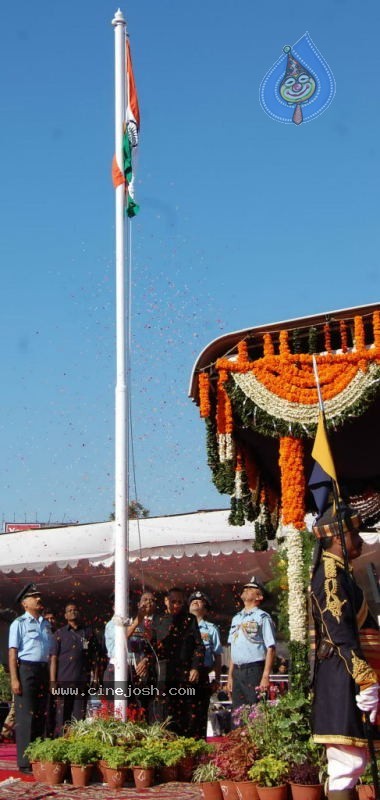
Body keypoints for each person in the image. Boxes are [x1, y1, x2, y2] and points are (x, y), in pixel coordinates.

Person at [311, 504, 380, 800]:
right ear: (339, 537)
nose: (361, 541)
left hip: (348, 673)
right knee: (347, 762)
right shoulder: (330, 576)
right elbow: (340, 635)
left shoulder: (341, 573)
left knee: (354, 760)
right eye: (355, 534)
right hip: (344, 675)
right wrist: (365, 678)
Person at [8, 583, 53, 773]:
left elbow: (50, 653)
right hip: (26, 670)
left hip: (42, 669)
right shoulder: (18, 623)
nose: (39, 599)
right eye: (34, 596)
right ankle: (25, 762)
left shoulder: (46, 623)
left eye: (39, 595)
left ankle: (37, 757)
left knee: (41, 715)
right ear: (25, 603)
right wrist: (14, 679)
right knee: (26, 716)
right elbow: (12, 653)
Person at [154, 587, 205, 736]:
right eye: (173, 601)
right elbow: (151, 644)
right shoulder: (158, 620)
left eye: (179, 602)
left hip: (183, 671)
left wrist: (195, 667)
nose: (176, 605)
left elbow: (199, 645)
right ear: (165, 601)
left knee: (183, 710)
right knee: (164, 709)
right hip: (163, 672)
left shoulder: (189, 619)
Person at [103, 591, 158, 717]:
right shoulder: (111, 625)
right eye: (122, 604)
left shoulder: (138, 625)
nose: (126, 607)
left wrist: (145, 660)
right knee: (116, 711)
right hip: (115, 671)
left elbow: (144, 648)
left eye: (128, 604)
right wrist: (137, 620)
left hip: (135, 672)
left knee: (136, 712)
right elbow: (121, 639)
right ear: (114, 606)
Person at [227, 576, 276, 715]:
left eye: (251, 589)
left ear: (259, 596)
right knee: (238, 712)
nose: (246, 590)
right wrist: (230, 675)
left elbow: (271, 648)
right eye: (245, 588)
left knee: (256, 711)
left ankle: (256, 737)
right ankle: (239, 737)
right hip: (237, 670)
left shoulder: (262, 617)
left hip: (254, 670)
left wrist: (265, 675)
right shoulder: (236, 618)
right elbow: (233, 649)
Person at [50, 601, 100, 735]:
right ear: (65, 616)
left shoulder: (88, 633)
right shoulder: (59, 634)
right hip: (63, 681)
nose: (73, 612)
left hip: (81, 682)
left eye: (75, 609)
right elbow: (53, 658)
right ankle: (61, 742)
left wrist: (95, 678)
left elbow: (95, 658)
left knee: (80, 717)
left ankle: (77, 743)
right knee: (62, 717)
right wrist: (53, 682)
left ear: (79, 613)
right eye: (69, 610)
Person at [188, 589, 223, 738]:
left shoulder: (211, 629)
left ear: (206, 608)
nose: (195, 602)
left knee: (202, 712)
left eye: (200, 601)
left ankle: (200, 744)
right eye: (192, 601)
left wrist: (216, 679)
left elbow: (217, 657)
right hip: (185, 675)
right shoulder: (182, 628)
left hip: (203, 675)